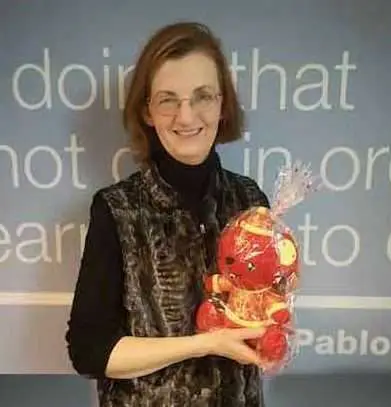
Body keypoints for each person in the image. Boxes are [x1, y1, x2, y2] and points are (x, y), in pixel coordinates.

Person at [66, 21, 270, 407]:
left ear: (222, 104)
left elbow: (260, 315)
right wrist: (205, 344)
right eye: (168, 100)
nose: (186, 116)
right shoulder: (118, 210)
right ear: (147, 111)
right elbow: (90, 351)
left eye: (202, 96)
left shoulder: (249, 200)